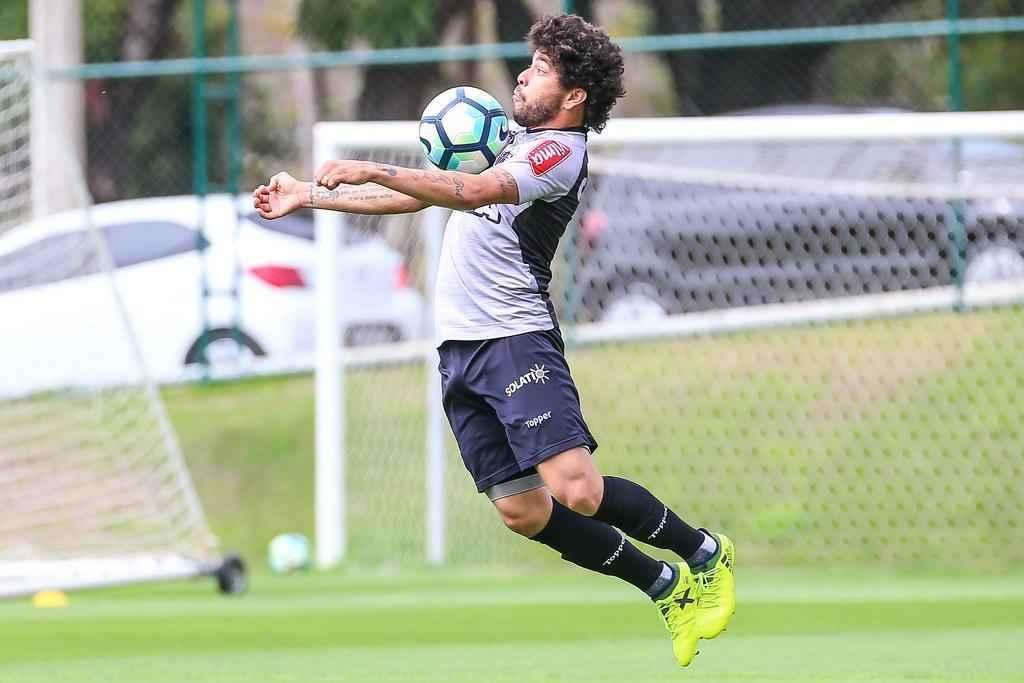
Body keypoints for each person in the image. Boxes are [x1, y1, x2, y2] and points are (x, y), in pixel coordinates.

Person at [252, 13, 734, 668]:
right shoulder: (510, 136)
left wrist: (375, 167)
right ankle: (667, 587)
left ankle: (705, 552)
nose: (522, 75)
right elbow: (424, 199)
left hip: (515, 341)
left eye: (539, 70)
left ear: (573, 96)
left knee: (578, 491)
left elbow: (469, 189)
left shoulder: (558, 154)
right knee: (523, 510)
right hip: (459, 352)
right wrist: (309, 195)